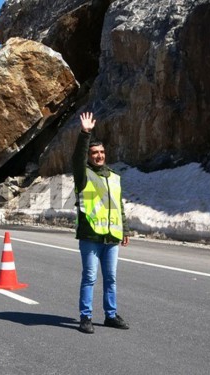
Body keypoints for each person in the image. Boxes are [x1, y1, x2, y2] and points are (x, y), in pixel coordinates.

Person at [72, 111, 130, 334]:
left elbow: (119, 205)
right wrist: (84, 133)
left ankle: (111, 315)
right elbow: (76, 158)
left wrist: (124, 229)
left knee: (111, 278)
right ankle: (85, 317)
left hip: (112, 237)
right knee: (89, 277)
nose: (99, 156)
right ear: (88, 156)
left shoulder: (114, 177)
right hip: (90, 236)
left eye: (102, 152)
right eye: (94, 153)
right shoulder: (83, 174)